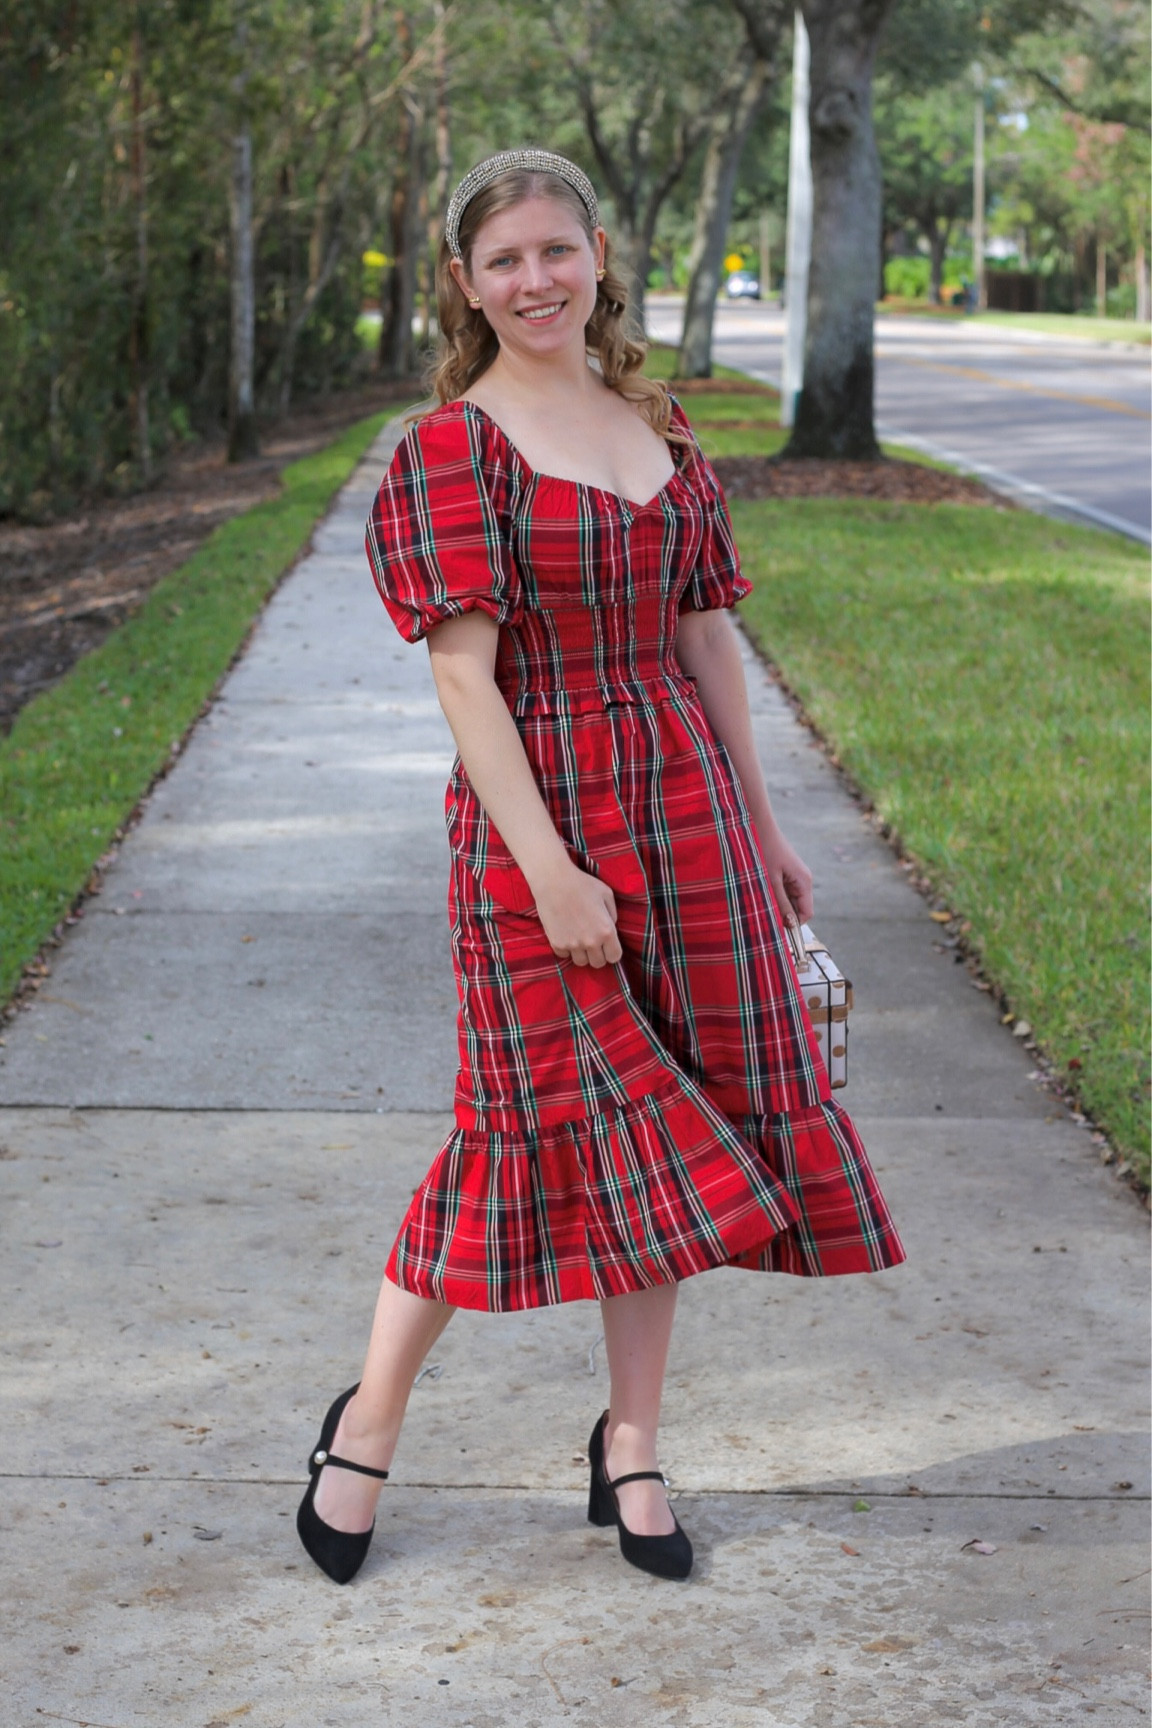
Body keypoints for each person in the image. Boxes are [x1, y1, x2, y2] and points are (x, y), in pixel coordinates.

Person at [296, 148, 905, 1587]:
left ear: (599, 253)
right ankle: (365, 1425)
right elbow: (465, 679)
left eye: (555, 250)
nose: (536, 281)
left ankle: (632, 1442)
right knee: (519, 1127)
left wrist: (763, 828)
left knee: (667, 1137)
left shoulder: (658, 422)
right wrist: (550, 874)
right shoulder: (454, 449)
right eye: (504, 260)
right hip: (540, 821)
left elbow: (705, 636)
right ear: (465, 284)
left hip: (686, 815)